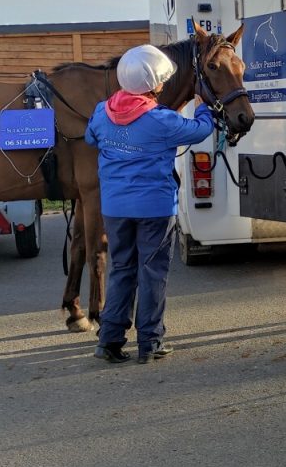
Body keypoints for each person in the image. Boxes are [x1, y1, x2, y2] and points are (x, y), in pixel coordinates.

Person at [86, 44, 215, 364]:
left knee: (122, 270)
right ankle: (150, 342)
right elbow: (202, 130)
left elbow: (91, 138)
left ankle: (109, 341)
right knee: (152, 273)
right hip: (154, 209)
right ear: (154, 83)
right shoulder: (162, 120)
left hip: (115, 208)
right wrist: (201, 107)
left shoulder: (102, 111)